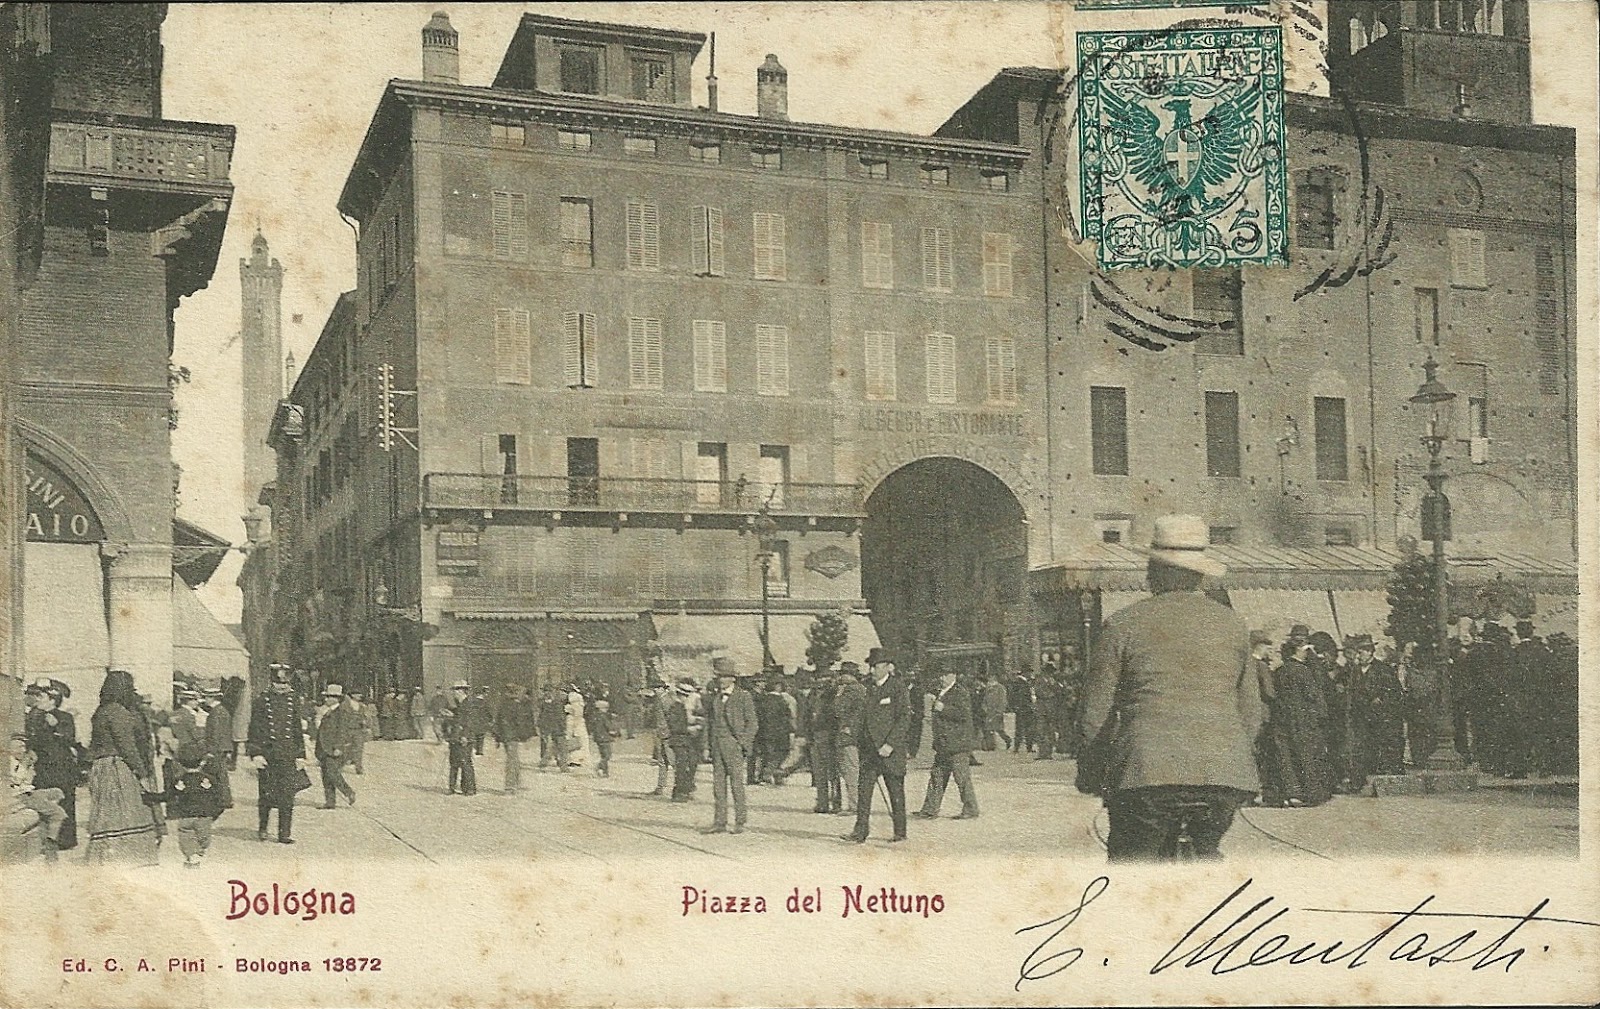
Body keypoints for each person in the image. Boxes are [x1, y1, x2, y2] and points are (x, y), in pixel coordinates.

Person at [1077, 515, 1264, 861]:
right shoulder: (1234, 626)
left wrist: (1093, 774)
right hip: (1223, 774)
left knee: (1132, 869)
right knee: (1206, 851)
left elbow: (1093, 717)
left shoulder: (1122, 624)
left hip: (1146, 773)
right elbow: (1251, 714)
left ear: (1155, 571)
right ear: (1201, 574)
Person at [84, 669, 160, 864]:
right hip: (116, 767)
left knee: (106, 814)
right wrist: (142, 773)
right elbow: (128, 747)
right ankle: (127, 857)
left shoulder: (101, 711)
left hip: (101, 767)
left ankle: (103, 856)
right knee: (126, 812)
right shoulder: (118, 712)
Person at [843, 648, 911, 844]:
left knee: (895, 792)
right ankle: (860, 831)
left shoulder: (898, 688)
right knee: (864, 792)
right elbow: (861, 716)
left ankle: (900, 831)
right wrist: (853, 733)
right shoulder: (867, 688)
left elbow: (904, 719)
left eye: (876, 666)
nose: (872, 670)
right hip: (869, 750)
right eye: (871, 666)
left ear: (888, 667)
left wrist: (890, 744)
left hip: (890, 751)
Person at [1268, 636, 1335, 807]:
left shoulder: (1280, 671)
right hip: (1304, 720)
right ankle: (1312, 793)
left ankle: (1293, 794)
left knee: (1287, 757)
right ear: (1299, 651)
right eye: (1306, 650)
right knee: (1307, 755)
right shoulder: (1303, 671)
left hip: (1284, 719)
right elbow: (1313, 696)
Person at [247, 664, 309, 844]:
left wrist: (300, 755)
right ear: (272, 682)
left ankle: (284, 833)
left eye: (285, 683)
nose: (282, 686)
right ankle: (263, 828)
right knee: (266, 795)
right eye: (278, 683)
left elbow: (297, 729)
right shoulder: (261, 701)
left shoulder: (293, 700)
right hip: (268, 755)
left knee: (288, 796)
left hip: (288, 755)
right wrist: (256, 753)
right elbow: (254, 729)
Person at [915, 666, 980, 820]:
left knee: (961, 777)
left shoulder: (960, 692)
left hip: (957, 743)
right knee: (937, 776)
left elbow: (963, 714)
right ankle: (930, 809)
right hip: (944, 744)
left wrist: (943, 708)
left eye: (945, 675)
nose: (941, 678)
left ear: (953, 675)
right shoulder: (941, 692)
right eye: (940, 675)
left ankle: (971, 808)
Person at [23, 678, 79, 851]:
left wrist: (56, 727)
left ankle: (66, 840)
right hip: (43, 768)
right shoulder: (34, 716)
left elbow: (70, 740)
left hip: (62, 768)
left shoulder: (65, 717)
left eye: (41, 696)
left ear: (53, 699)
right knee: (45, 804)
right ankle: (48, 840)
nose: (38, 699)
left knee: (65, 801)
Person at [702, 659, 757, 834]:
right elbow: (710, 724)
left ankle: (740, 821)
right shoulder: (716, 698)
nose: (721, 680)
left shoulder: (744, 696)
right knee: (718, 785)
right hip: (718, 745)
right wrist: (706, 746)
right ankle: (720, 822)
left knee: (736, 784)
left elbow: (753, 723)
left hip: (734, 745)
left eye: (725, 677)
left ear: (733, 678)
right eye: (719, 677)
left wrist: (743, 744)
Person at [1349, 635, 1405, 779]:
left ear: (1370, 652)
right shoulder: (1354, 671)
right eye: (1357, 652)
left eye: (1361, 652)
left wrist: (1381, 699)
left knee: (1383, 746)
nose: (1358, 656)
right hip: (1361, 717)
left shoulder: (1383, 670)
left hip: (1380, 717)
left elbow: (1395, 693)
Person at [162, 742, 226, 868]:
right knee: (204, 839)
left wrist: (148, 796)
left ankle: (192, 856)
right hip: (204, 817)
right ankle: (197, 855)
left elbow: (167, 795)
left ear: (180, 763)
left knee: (186, 837)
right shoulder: (209, 780)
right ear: (202, 762)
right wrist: (213, 814)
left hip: (186, 816)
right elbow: (220, 799)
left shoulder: (180, 780)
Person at [10, 732, 69, 861]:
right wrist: (25, 764)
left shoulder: (19, 760)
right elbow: (17, 781)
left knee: (58, 792)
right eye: (19, 747)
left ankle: (44, 818)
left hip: (30, 792)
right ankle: (50, 842)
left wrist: (29, 764)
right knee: (59, 813)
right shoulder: (10, 763)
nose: (23, 750)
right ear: (11, 748)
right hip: (24, 795)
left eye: (24, 747)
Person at [314, 684, 361, 809]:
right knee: (326, 775)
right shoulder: (330, 711)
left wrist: (338, 747)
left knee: (332, 772)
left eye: (328, 697)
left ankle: (349, 792)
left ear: (336, 698)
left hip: (333, 748)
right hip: (325, 748)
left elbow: (342, 731)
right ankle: (330, 802)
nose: (326, 699)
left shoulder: (341, 712)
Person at [832, 662, 866, 816]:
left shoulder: (850, 690)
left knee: (851, 770)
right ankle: (856, 804)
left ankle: (855, 805)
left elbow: (838, 710)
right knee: (853, 769)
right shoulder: (862, 689)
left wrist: (838, 695)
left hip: (848, 736)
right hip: (858, 735)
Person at [495, 685, 536, 794]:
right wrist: (524, 736)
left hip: (505, 736)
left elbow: (498, 722)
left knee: (513, 758)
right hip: (512, 736)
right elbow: (520, 722)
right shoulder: (517, 706)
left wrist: (497, 738)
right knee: (512, 760)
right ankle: (510, 785)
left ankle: (516, 782)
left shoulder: (503, 705)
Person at [809, 668, 839, 813]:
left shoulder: (833, 695)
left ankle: (836, 802)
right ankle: (822, 802)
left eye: (825, 678)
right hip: (815, 735)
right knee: (819, 771)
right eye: (819, 679)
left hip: (828, 736)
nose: (821, 682)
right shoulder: (812, 695)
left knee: (832, 772)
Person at [442, 681, 480, 795]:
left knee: (465, 763)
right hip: (455, 738)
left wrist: (465, 736)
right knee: (453, 763)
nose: (453, 693)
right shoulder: (459, 704)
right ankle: (452, 787)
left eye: (454, 691)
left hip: (464, 738)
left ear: (461, 691)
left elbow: (469, 722)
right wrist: (450, 715)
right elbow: (458, 718)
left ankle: (469, 788)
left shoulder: (469, 704)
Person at [202, 690, 236, 813]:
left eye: (206, 697)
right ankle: (225, 799)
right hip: (223, 747)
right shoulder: (222, 710)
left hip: (217, 748)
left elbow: (215, 733)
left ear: (212, 698)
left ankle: (222, 799)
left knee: (217, 774)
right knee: (221, 773)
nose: (204, 700)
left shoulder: (216, 712)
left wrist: (210, 750)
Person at [666, 680, 700, 802]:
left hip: (684, 740)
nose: (686, 697)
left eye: (687, 695)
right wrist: (690, 728)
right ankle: (679, 793)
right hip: (678, 741)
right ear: (679, 694)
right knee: (682, 766)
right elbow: (674, 726)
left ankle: (685, 789)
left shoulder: (680, 707)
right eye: (684, 695)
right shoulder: (675, 707)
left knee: (691, 763)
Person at [537, 686, 568, 771]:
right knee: (561, 747)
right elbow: (560, 716)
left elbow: (541, 716)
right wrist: (563, 727)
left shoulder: (545, 703)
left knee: (552, 747)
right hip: (557, 728)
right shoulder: (556, 703)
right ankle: (563, 766)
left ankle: (544, 762)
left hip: (550, 728)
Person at [981, 668, 1010, 753]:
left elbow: (1003, 700)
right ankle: (990, 746)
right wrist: (984, 708)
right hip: (989, 711)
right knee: (988, 729)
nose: (990, 678)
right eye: (989, 677)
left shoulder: (1000, 688)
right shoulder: (988, 688)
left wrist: (1000, 710)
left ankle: (1007, 740)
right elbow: (985, 699)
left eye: (992, 677)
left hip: (996, 711)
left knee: (998, 729)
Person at [1009, 665, 1035, 754]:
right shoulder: (1020, 682)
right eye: (1029, 672)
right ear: (1025, 673)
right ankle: (1021, 747)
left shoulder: (1024, 682)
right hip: (1023, 708)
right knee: (1023, 728)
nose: (1031, 674)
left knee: (1024, 728)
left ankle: (1025, 747)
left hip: (1024, 708)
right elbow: (1018, 696)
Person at [563, 683, 590, 769]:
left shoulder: (568, 698)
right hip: (576, 721)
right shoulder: (576, 697)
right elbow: (578, 712)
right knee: (579, 740)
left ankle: (571, 758)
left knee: (570, 739)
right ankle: (576, 759)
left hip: (570, 720)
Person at [589, 699, 616, 777]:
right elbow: (608, 727)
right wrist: (613, 732)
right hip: (604, 738)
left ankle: (605, 771)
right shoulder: (603, 717)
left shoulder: (595, 716)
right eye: (605, 708)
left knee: (603, 755)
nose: (606, 710)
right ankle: (599, 767)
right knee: (607, 755)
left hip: (598, 738)